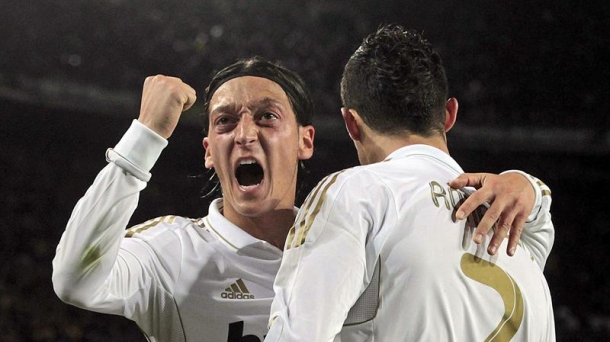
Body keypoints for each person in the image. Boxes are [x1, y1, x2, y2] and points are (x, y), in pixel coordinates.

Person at [52, 57, 549, 342]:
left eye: (267, 117)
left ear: (306, 141)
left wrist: (526, 186)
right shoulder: (170, 252)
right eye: (225, 121)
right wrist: (145, 137)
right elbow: (74, 280)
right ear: (208, 151)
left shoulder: (357, 234)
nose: (244, 133)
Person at [266, 25, 555, 341]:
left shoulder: (357, 193)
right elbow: (541, 216)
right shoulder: (514, 229)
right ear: (449, 115)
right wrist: (528, 184)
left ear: (351, 123)